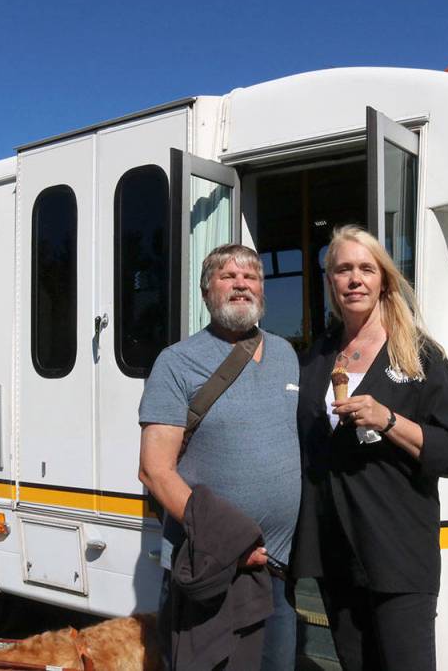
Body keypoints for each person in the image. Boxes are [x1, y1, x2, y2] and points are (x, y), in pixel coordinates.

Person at [290, 225, 448, 671]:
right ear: (331, 282)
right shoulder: (317, 357)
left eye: (366, 269)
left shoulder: (418, 355)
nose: (355, 279)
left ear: (383, 281)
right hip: (335, 553)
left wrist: (389, 420)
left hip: (397, 551)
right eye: (343, 270)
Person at [138, 244, 300, 670]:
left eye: (252, 277)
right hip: (210, 568)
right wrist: (228, 545)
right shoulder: (176, 363)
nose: (241, 284)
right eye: (228, 276)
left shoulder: (286, 355)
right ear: (206, 291)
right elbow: (154, 471)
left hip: (276, 569)